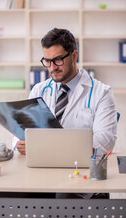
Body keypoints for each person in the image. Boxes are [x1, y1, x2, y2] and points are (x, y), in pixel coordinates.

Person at [13, 27, 117, 199]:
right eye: (47, 61)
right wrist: (19, 143)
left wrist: (60, 148)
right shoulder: (39, 90)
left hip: (78, 174)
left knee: (63, 198)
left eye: (58, 60)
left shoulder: (102, 92)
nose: (52, 67)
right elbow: (20, 128)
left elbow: (106, 141)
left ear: (74, 56)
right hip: (41, 170)